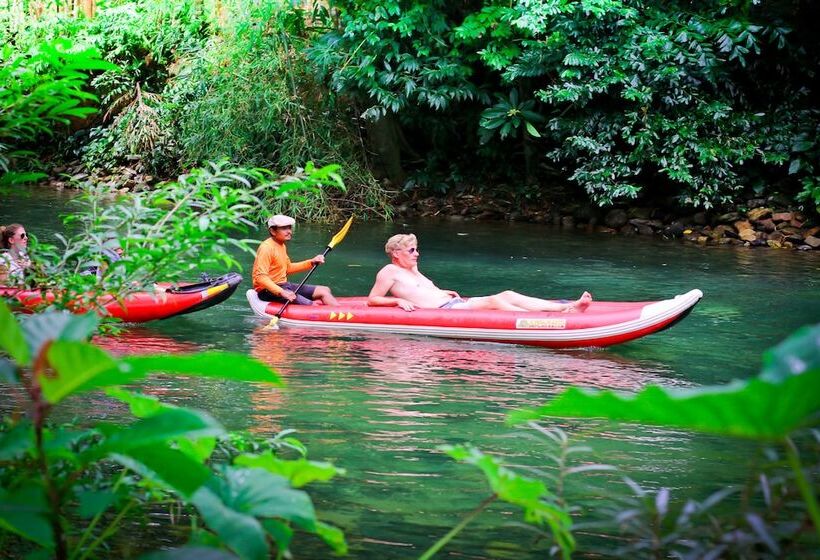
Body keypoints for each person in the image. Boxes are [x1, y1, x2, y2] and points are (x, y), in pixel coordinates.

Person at [368, 233, 592, 312]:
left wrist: (442, 291)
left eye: (417, 249)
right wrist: (396, 302)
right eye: (411, 250)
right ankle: (535, 321)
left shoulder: (413, 271)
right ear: (396, 253)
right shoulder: (390, 270)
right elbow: (373, 299)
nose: (417, 253)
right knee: (495, 300)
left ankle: (566, 307)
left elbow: (421, 290)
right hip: (446, 311)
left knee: (508, 294)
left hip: (453, 304)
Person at [252, 214, 338, 306]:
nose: (289, 231)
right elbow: (260, 277)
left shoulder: (281, 245)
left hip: (283, 285)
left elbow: (287, 268)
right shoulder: (266, 248)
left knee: (324, 290)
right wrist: (282, 292)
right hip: (267, 291)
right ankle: (332, 315)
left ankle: (340, 313)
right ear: (273, 231)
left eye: (289, 228)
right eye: (284, 228)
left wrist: (311, 262)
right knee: (312, 306)